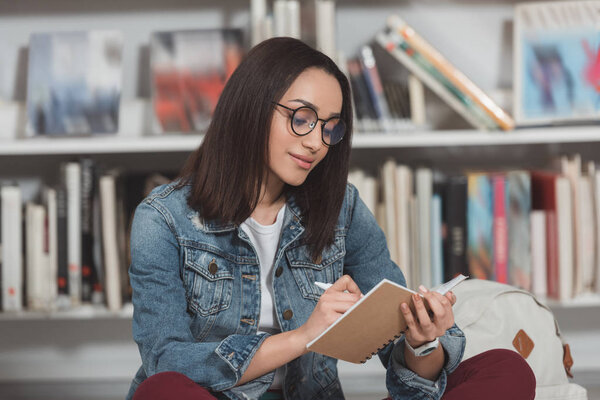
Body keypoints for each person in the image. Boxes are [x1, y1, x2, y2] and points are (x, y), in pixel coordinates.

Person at [126, 37, 536, 400]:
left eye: (330, 128)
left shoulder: (343, 209)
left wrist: (422, 342)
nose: (316, 143)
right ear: (250, 107)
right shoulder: (163, 218)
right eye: (301, 118)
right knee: (162, 391)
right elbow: (167, 360)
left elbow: (405, 368)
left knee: (505, 368)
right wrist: (305, 337)